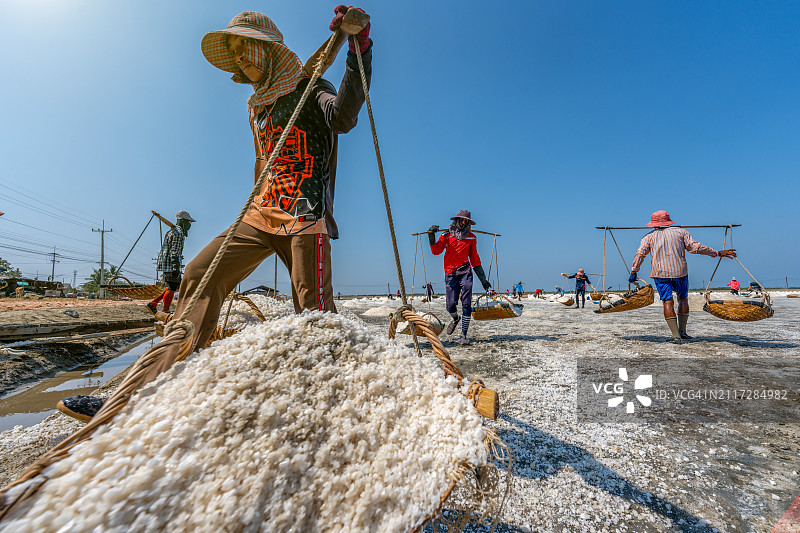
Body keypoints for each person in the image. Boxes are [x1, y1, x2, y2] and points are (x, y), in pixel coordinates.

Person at [57, 7, 373, 422]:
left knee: (312, 308)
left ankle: (330, 392)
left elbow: (344, 116)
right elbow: (263, 161)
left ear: (268, 49)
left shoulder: (311, 87)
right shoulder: (256, 106)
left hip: (304, 214)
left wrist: (358, 50)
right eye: (236, 52)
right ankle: (143, 392)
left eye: (247, 48)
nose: (241, 58)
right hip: (261, 212)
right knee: (198, 274)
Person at [629, 210, 736, 344]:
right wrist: (717, 253)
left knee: (667, 302)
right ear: (668, 221)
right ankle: (682, 332)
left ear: (654, 224)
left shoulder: (648, 237)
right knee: (683, 299)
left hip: (660, 273)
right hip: (680, 272)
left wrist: (634, 271)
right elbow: (695, 248)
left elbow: (640, 254)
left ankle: (676, 336)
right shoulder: (681, 232)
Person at [428, 209, 492, 345]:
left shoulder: (472, 237)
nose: (464, 223)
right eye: (462, 220)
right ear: (456, 221)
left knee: (466, 303)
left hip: (466, 271)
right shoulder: (447, 236)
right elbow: (436, 251)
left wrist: (484, 280)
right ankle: (456, 318)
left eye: (466, 221)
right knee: (450, 305)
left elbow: (475, 259)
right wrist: (431, 236)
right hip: (450, 273)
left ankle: (463, 335)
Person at [147, 211, 195, 314]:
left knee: (171, 285)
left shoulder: (171, 231)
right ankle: (165, 309)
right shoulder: (178, 233)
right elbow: (175, 251)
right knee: (172, 285)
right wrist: (175, 266)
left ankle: (153, 303)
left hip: (165, 262)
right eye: (189, 222)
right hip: (170, 263)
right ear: (183, 222)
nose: (190, 225)